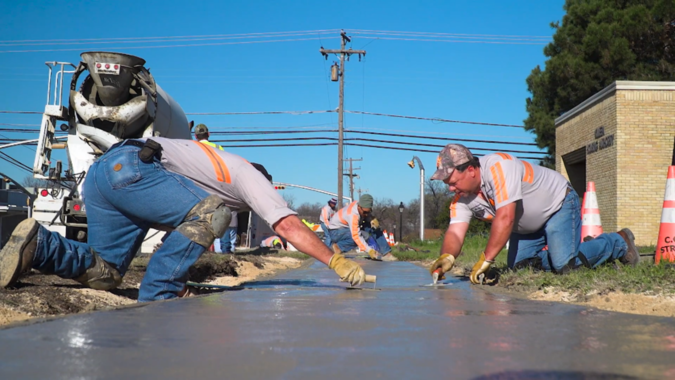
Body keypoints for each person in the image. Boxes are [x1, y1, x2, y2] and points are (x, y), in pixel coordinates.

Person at [0, 138, 367, 302]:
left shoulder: (213, 167)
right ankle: (160, 292)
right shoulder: (249, 175)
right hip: (132, 167)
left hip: (103, 175)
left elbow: (181, 221)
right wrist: (336, 262)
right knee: (215, 213)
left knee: (107, 273)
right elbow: (286, 225)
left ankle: (42, 245)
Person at [428, 144, 640, 284]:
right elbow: (455, 233)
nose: (450, 188)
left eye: (452, 182)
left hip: (559, 204)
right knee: (520, 267)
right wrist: (447, 257)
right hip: (527, 228)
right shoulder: (462, 199)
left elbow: (506, 217)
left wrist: (486, 260)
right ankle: (580, 248)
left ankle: (617, 242)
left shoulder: (500, 166)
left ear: (471, 170)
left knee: (565, 266)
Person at [326, 194, 394, 261]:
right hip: (335, 232)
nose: (366, 214)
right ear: (359, 207)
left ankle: (386, 253)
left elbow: (366, 215)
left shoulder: (361, 204)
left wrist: (371, 219)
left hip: (345, 229)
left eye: (369, 212)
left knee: (374, 227)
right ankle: (339, 247)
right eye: (365, 212)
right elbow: (356, 236)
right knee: (364, 236)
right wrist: (369, 250)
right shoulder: (352, 215)